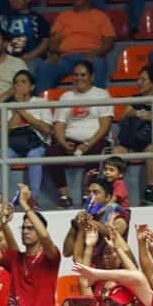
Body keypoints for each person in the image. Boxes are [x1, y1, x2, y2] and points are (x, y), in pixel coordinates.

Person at [44, 61, 113, 208]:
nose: (78, 78)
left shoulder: (102, 95)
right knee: (51, 153)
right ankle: (64, 195)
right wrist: (63, 143)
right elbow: (59, 125)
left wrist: (87, 144)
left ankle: (88, 195)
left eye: (83, 75)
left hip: (95, 139)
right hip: (71, 140)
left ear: (92, 77)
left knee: (95, 152)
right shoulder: (66, 97)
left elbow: (105, 126)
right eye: (75, 75)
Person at [34, 0, 115, 94]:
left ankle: (98, 105)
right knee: (44, 67)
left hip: (90, 57)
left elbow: (109, 42)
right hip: (66, 58)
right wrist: (54, 53)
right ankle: (42, 108)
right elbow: (54, 41)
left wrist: (96, 52)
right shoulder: (63, 17)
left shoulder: (100, 16)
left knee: (98, 63)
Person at [0, 185, 61, 306]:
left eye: (31, 228)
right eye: (24, 228)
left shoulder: (51, 257)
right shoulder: (15, 258)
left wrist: (25, 205)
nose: (25, 231)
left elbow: (45, 236)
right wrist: (1, 220)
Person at [0, 68, 52, 206]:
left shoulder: (41, 103)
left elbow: (47, 129)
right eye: (16, 83)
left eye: (23, 82)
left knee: (34, 155)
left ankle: (33, 198)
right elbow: (6, 131)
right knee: (2, 153)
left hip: (36, 144)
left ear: (32, 86)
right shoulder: (9, 106)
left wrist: (22, 110)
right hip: (15, 145)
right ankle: (4, 201)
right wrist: (18, 105)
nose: (19, 85)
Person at [113, 65, 153, 206]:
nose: (139, 82)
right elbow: (122, 120)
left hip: (148, 142)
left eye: (143, 79)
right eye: (138, 79)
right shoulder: (134, 99)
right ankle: (116, 193)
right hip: (130, 142)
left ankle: (150, 190)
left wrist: (139, 114)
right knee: (116, 152)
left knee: (152, 150)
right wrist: (134, 114)